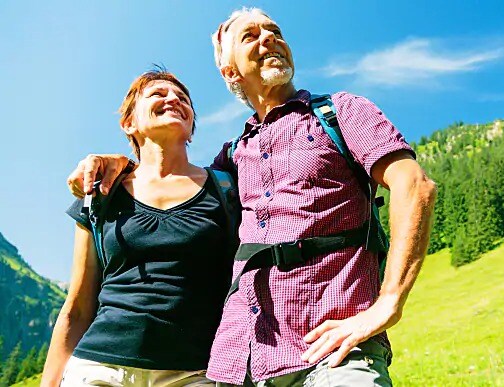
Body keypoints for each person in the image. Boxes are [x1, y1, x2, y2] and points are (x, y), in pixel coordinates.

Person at [67, 7, 437, 387]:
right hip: (241, 363)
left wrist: (388, 302)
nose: (269, 38)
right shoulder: (231, 159)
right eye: (250, 36)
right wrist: (119, 163)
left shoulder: (340, 112)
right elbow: (174, 182)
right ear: (230, 72)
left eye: (274, 31)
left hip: (335, 349)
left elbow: (415, 186)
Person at [44, 69, 235, 386]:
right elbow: (77, 307)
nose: (173, 98)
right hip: (99, 368)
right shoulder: (101, 192)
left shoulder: (226, 188)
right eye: (158, 94)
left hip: (194, 372)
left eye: (183, 98)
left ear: (190, 130)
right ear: (128, 123)